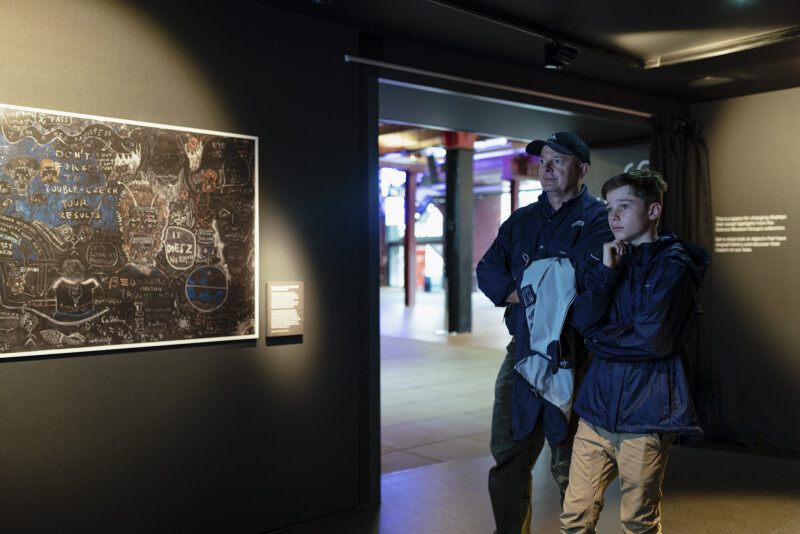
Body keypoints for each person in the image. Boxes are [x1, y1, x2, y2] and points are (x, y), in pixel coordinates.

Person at [477, 132, 612, 534]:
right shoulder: (521, 219)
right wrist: (520, 291)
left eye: (559, 160)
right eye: (543, 161)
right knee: (508, 459)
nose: (547, 168)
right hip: (521, 354)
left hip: (576, 359)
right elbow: (488, 269)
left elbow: (578, 283)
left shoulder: (601, 219)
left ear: (582, 169)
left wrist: (539, 284)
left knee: (571, 467)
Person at [559, 170, 709, 534]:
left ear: (654, 210)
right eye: (610, 207)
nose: (614, 216)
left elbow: (654, 340)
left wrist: (598, 339)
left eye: (624, 206)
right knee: (574, 520)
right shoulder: (611, 258)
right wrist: (607, 273)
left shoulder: (675, 267)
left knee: (637, 523)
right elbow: (582, 320)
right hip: (595, 412)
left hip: (646, 416)